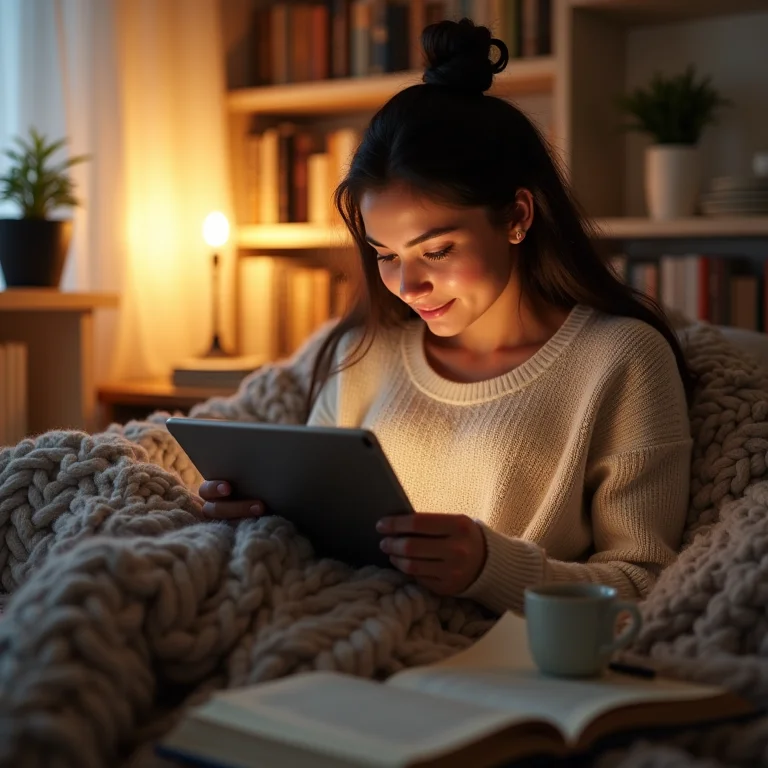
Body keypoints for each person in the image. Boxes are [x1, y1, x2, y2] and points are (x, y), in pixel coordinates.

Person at [199, 18, 694, 616]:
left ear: (516, 216)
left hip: (505, 662)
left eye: (437, 250)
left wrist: (491, 568)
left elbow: (647, 585)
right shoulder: (365, 353)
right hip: (348, 631)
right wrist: (259, 515)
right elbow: (320, 536)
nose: (409, 285)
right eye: (386, 255)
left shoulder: (621, 361)